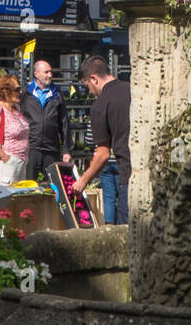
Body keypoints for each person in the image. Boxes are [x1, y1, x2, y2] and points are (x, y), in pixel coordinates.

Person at [71, 55, 131, 225]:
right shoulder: (133, 89)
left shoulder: (100, 104)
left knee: (127, 236)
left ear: (94, 79)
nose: (89, 92)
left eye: (87, 86)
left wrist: (83, 180)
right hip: (149, 171)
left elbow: (103, 154)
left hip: (128, 174)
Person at [20, 58, 73, 180]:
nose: (50, 75)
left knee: (54, 186)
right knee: (29, 185)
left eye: (50, 72)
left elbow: (64, 123)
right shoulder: (26, 93)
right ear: (36, 74)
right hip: (31, 148)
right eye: (46, 72)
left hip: (51, 148)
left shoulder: (56, 93)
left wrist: (66, 150)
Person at [0, 74, 30, 184]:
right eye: (17, 89)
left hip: (22, 160)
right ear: (7, 91)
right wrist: (5, 157)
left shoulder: (16, 108)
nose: (20, 92)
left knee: (19, 198)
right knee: (8, 198)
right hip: (8, 162)